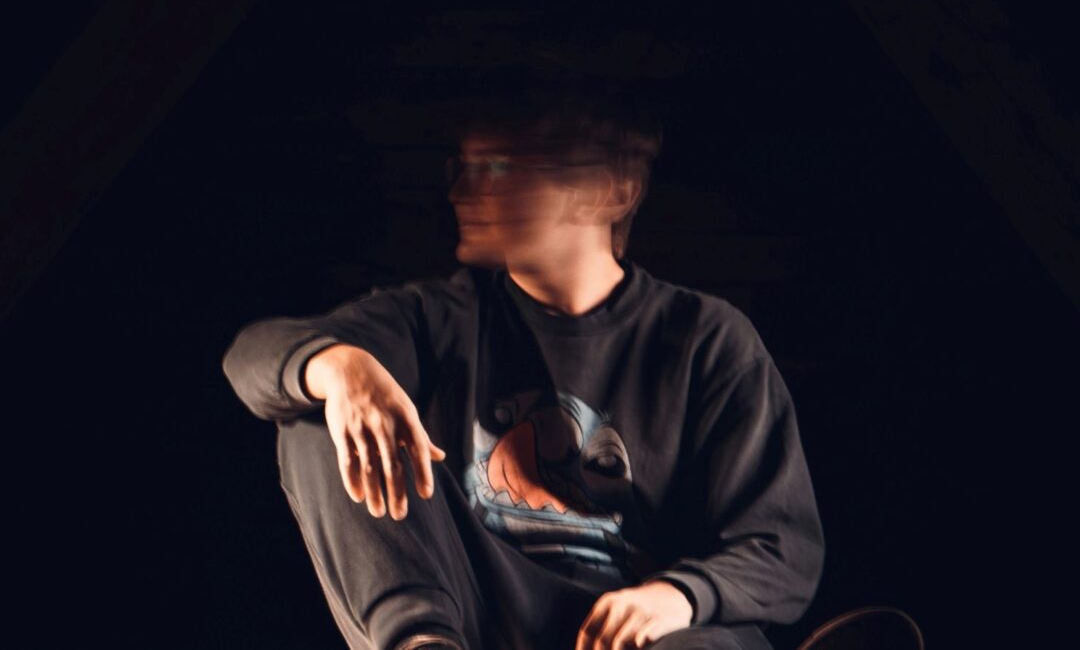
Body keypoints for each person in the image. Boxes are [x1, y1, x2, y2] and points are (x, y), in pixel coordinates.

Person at [222, 79, 825, 650]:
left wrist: (680, 596)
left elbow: (781, 547)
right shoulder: (436, 317)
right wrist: (342, 367)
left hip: (638, 635)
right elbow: (251, 355)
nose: (462, 192)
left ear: (607, 191)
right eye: (463, 168)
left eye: (497, 168)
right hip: (479, 625)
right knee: (314, 403)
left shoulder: (706, 339)